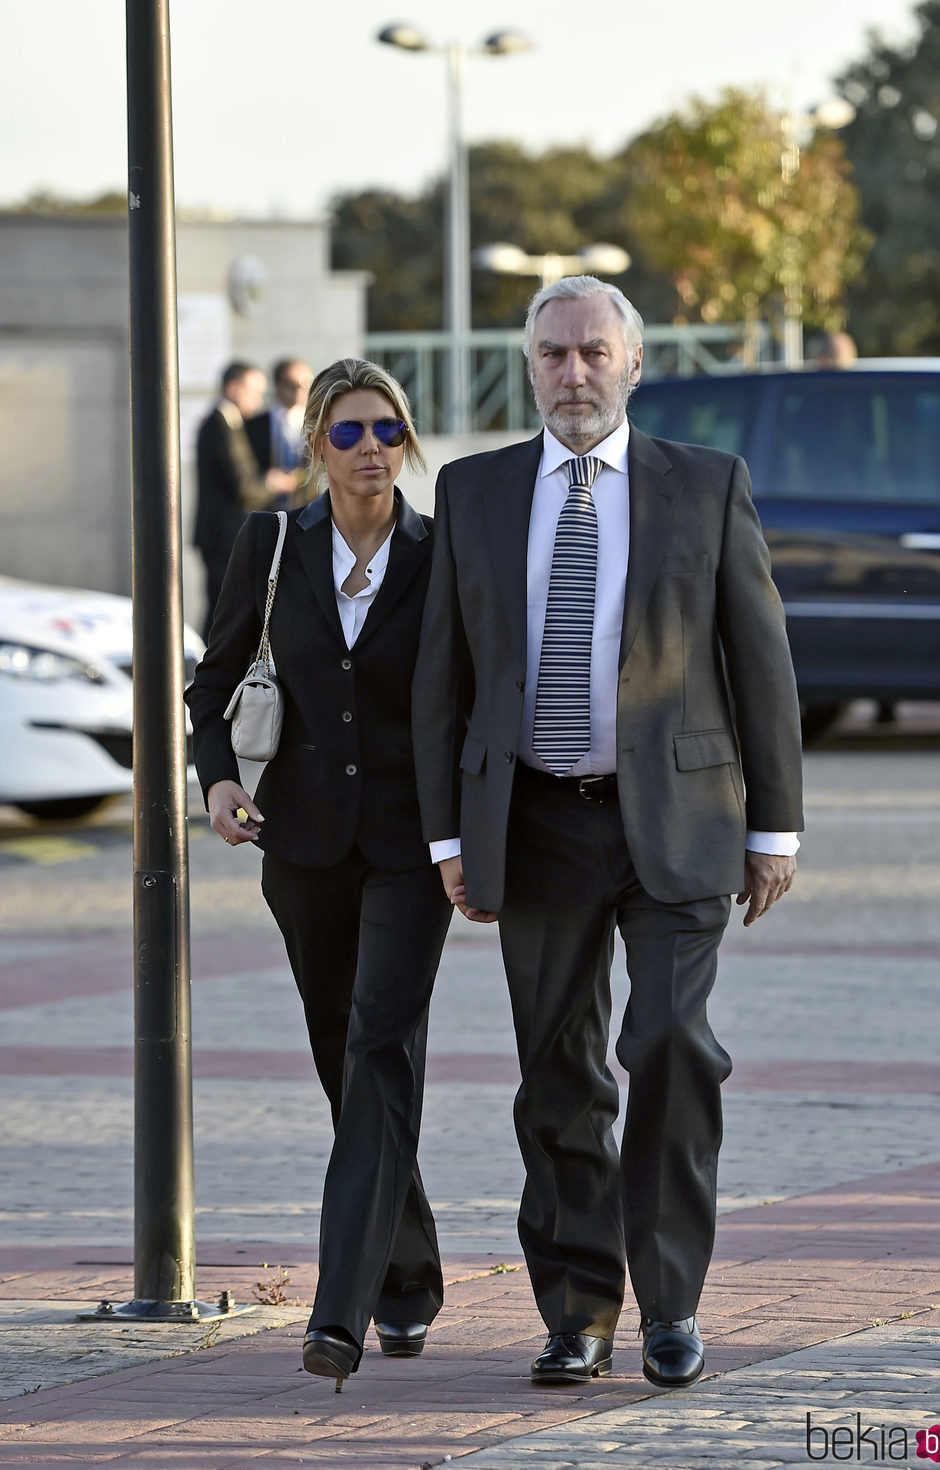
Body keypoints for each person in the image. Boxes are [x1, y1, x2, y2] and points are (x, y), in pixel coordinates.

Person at [412, 277, 804, 1390]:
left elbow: (758, 659)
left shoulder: (704, 485)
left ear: (632, 365)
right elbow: (443, 677)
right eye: (551, 355)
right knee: (556, 1073)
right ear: (526, 367)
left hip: (677, 824)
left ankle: (670, 1304)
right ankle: (578, 1309)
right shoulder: (475, 493)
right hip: (533, 822)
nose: (572, 374)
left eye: (592, 353)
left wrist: (773, 824)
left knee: (672, 1043)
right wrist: (448, 837)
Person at [186, 358, 452, 1389]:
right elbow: (211, 686)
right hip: (295, 848)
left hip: (409, 850)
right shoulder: (269, 545)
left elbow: (467, 698)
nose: (369, 449)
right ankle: (414, 1269)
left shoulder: (440, 552)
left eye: (386, 429)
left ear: (408, 439)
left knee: (379, 1049)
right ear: (312, 444)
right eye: (346, 432)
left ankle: (342, 1312)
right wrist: (215, 785)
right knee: (346, 1058)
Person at [193, 361, 298, 636]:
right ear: (233, 388)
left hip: (225, 535)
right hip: (222, 537)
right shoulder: (219, 424)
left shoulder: (230, 422)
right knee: (221, 610)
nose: (258, 399)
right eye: (253, 391)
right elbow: (242, 485)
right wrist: (273, 483)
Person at [246, 357, 315, 507]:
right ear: (278, 384)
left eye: (305, 383)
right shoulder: (254, 425)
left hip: (306, 509)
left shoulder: (317, 423)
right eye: (291, 384)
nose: (299, 389)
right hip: (266, 508)